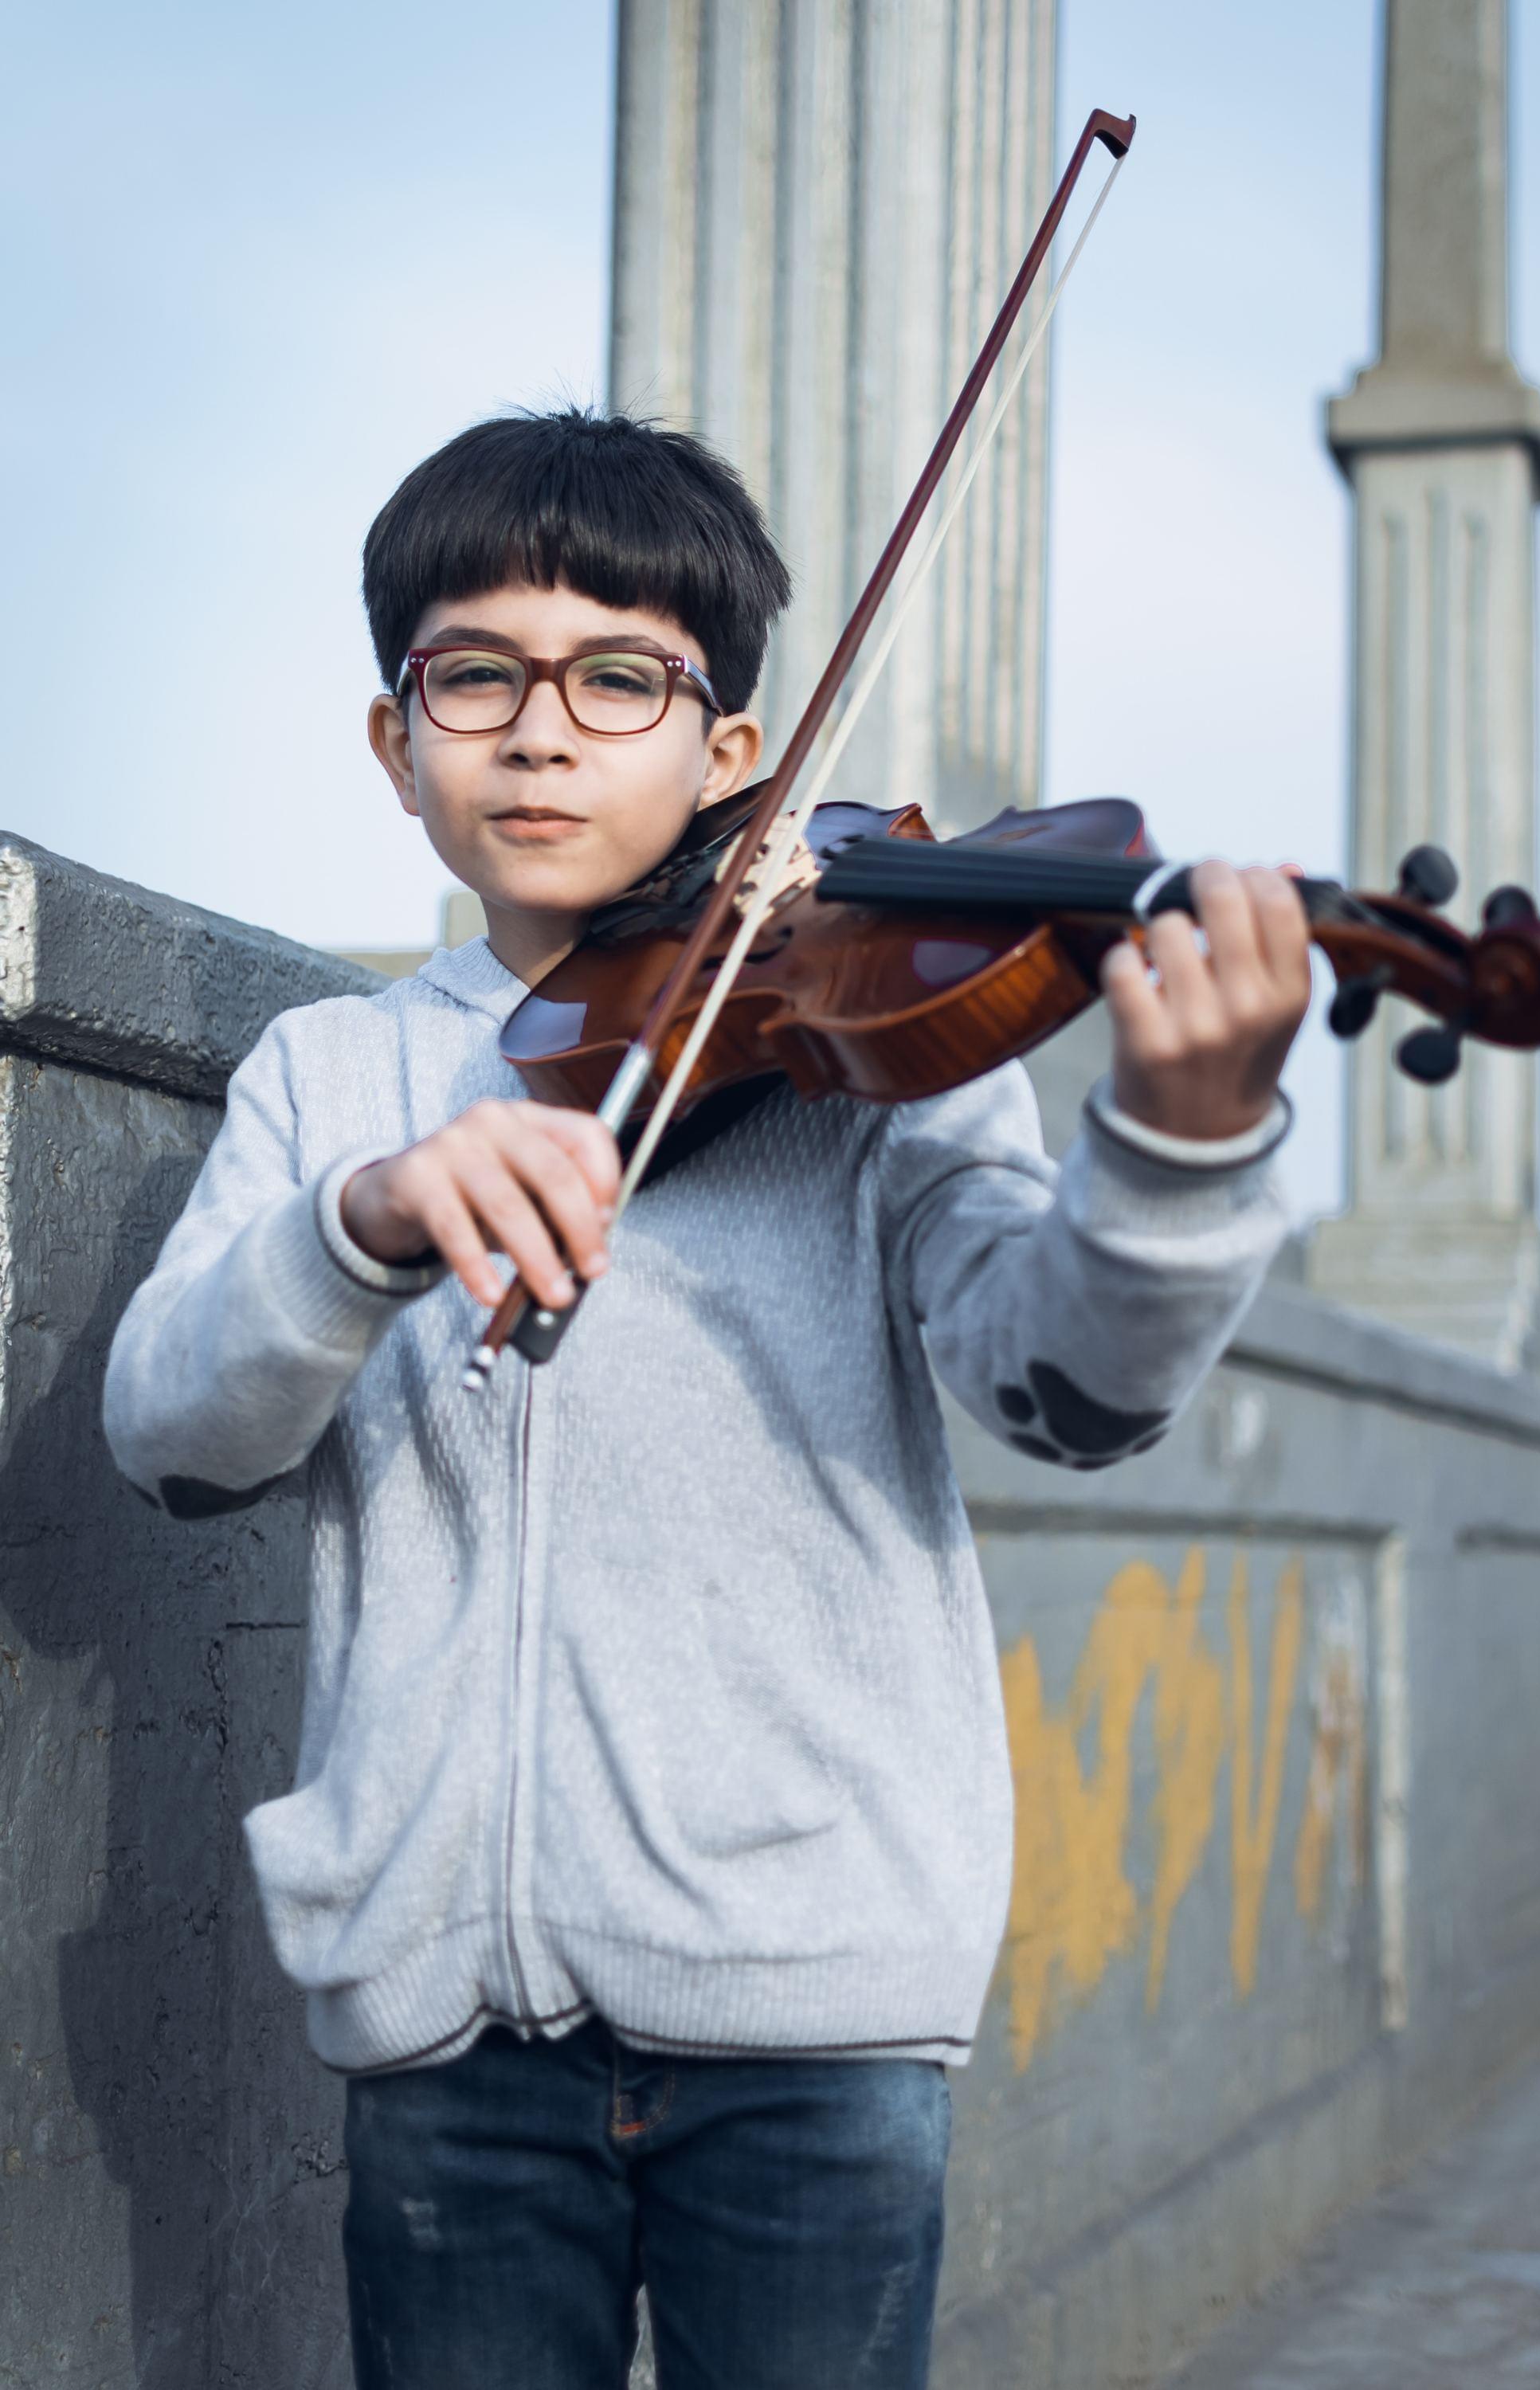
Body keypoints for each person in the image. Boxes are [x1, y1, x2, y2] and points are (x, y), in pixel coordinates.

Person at [104, 407, 1311, 2390]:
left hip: (814, 2020)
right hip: (443, 2025)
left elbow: (1070, 1391)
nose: (543, 729)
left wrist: (1177, 1154)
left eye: (620, 677)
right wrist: (367, 1223)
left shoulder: (877, 1050)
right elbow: (171, 1434)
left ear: (728, 751)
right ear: (396, 740)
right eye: (474, 673)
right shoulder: (333, 1080)